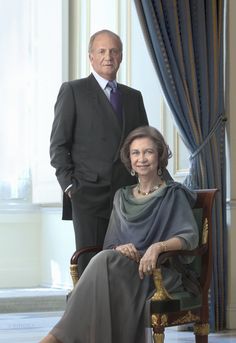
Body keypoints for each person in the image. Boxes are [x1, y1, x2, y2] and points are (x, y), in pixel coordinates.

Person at [40, 126, 199, 343]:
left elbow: (188, 237)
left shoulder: (173, 194)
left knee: (103, 265)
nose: (141, 158)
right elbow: (111, 244)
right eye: (136, 153)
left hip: (156, 274)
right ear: (129, 159)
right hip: (123, 270)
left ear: (160, 156)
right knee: (107, 258)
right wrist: (119, 248)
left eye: (148, 152)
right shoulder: (121, 197)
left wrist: (157, 247)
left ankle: (54, 339)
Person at [50, 29, 148, 275]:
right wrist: (71, 188)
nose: (108, 57)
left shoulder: (133, 97)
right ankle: (90, 315)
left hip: (128, 198)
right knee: (92, 268)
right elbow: (58, 146)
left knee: (125, 267)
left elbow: (146, 144)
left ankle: (119, 315)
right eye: (102, 51)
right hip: (88, 197)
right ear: (90, 57)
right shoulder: (73, 91)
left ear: (121, 57)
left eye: (114, 51)